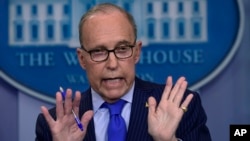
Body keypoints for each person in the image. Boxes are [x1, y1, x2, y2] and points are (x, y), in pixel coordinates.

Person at [35, 3, 211, 141]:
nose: (112, 64)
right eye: (99, 51)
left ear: (136, 52)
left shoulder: (181, 108)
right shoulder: (55, 125)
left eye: (122, 49)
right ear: (82, 59)